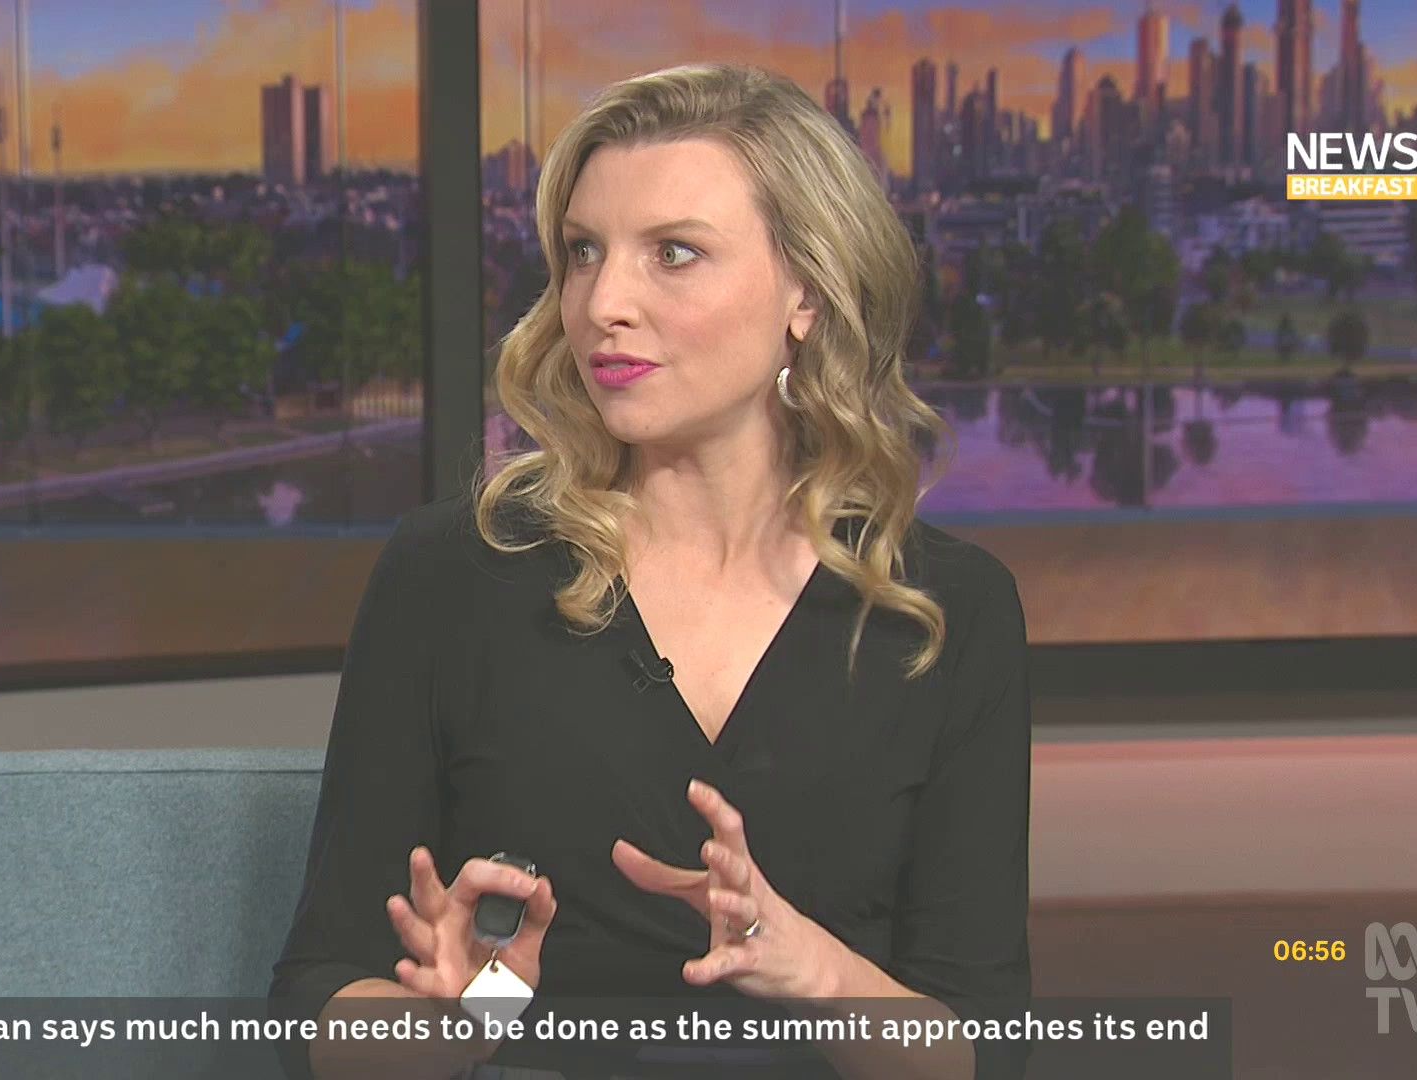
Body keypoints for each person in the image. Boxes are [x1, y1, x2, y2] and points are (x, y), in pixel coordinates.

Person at [269, 62, 1031, 1080]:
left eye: (674, 253)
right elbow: (317, 999)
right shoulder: (453, 575)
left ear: (807, 293)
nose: (602, 303)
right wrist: (463, 1019)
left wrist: (819, 972)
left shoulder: (944, 612)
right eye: (583, 252)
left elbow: (985, 1052)